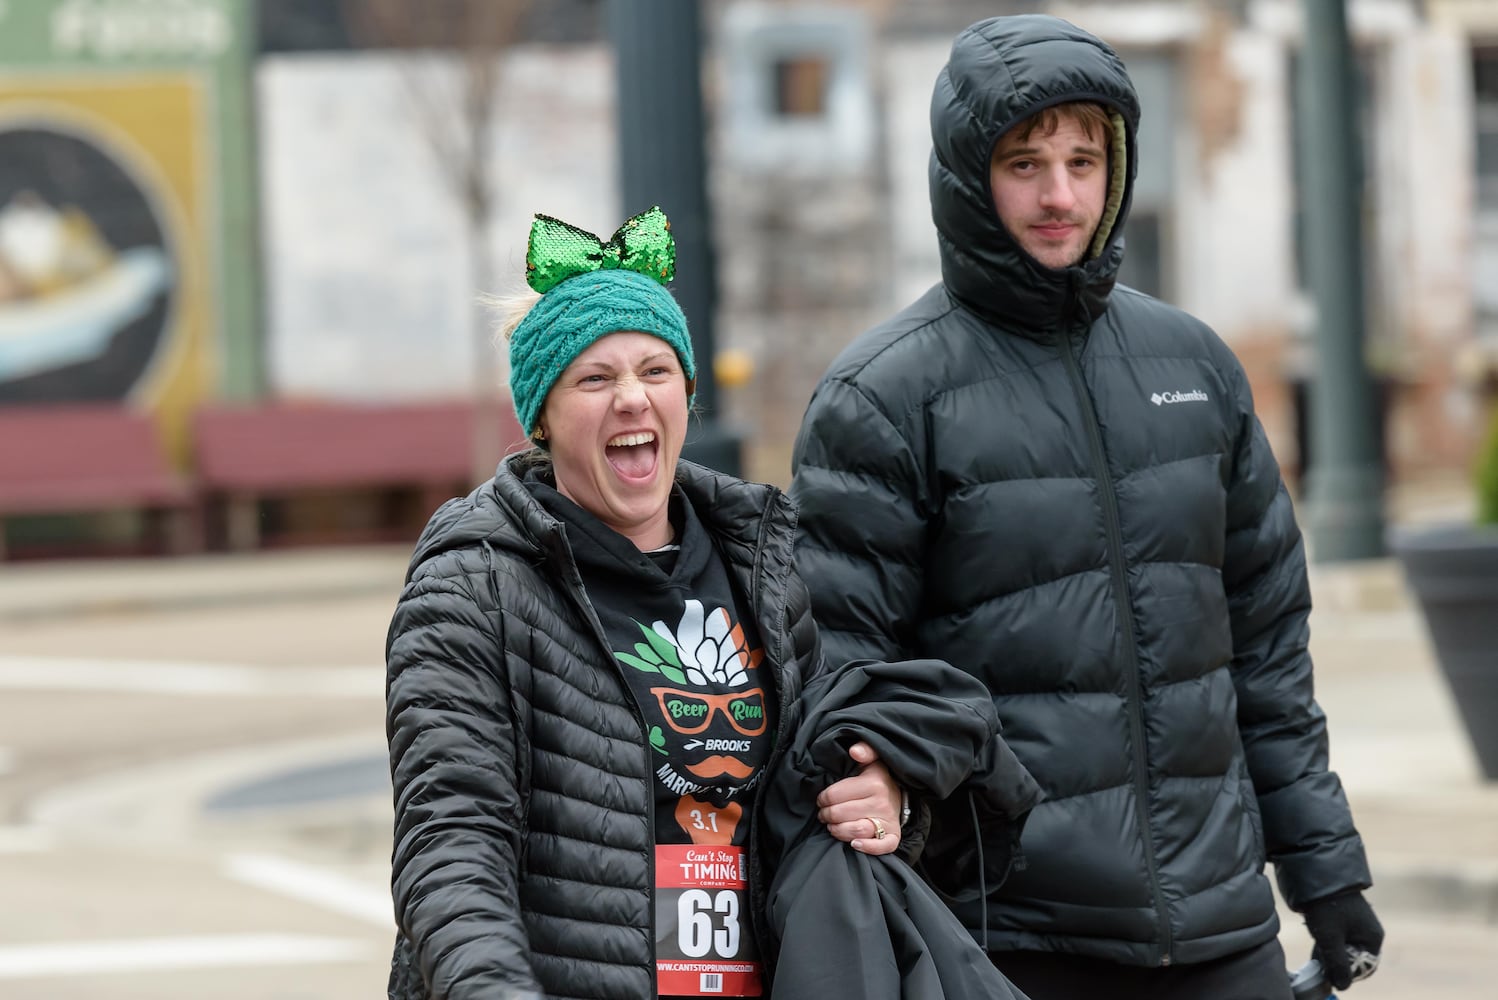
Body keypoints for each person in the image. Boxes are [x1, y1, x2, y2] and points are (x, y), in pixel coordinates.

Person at [789, 14, 1384, 1000]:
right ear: (966, 175)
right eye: (1024, 163)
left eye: (1082, 158)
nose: (1059, 194)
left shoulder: (1195, 367)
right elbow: (846, 681)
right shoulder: (880, 398)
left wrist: (1324, 869)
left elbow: (1268, 654)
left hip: (1221, 929)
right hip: (1013, 939)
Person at [385, 207, 1002, 1000]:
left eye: (655, 370)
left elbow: (809, 796)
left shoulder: (762, 567)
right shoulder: (472, 586)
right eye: (594, 379)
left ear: (687, 394)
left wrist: (890, 801)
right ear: (541, 416)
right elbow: (452, 847)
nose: (632, 399)